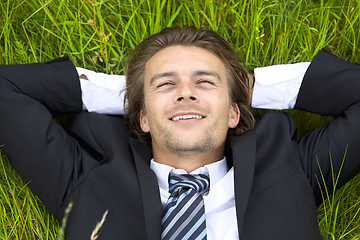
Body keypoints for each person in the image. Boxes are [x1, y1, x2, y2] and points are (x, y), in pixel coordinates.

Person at [0, 26, 359, 239]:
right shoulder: (86, 178)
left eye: (204, 81)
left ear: (235, 111)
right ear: (141, 117)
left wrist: (251, 86)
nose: (185, 92)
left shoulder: (289, 167)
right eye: (166, 83)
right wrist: (126, 91)